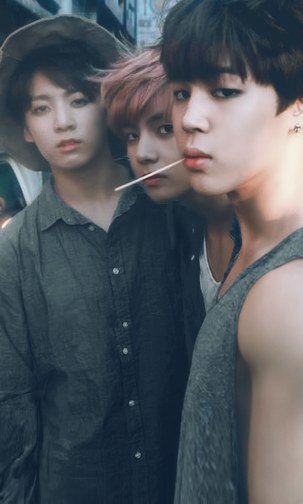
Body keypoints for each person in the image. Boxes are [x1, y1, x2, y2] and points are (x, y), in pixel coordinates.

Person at [160, 0, 303, 502]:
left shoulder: (300, 292)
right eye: (181, 92)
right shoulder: (262, 245)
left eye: (224, 91)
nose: (189, 118)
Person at [0, 16, 188, 503]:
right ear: (27, 127)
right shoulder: (16, 250)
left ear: (106, 105)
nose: (62, 122)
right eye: (42, 108)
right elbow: (13, 403)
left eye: (78, 100)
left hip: (178, 480)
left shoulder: (169, 208)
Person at [99, 48, 236, 358]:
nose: (143, 154)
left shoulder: (256, 223)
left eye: (163, 129)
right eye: (131, 136)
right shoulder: (180, 226)